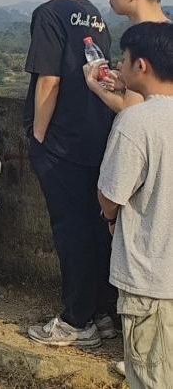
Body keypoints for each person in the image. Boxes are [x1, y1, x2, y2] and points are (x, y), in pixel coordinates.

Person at [25, 0, 117, 348]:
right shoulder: (93, 14)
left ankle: (76, 321)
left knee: (71, 230)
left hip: (61, 141)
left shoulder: (49, 13)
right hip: (94, 135)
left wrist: (38, 136)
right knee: (94, 227)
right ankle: (101, 313)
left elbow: (49, 79)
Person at [98, 22, 173, 389]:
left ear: (141, 65)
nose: (119, 65)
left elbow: (111, 195)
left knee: (151, 377)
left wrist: (109, 218)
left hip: (151, 279)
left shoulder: (137, 121)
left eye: (123, 59)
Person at [86, 0, 169, 114]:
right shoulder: (166, 33)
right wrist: (126, 81)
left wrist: (94, 85)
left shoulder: (144, 41)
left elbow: (130, 108)